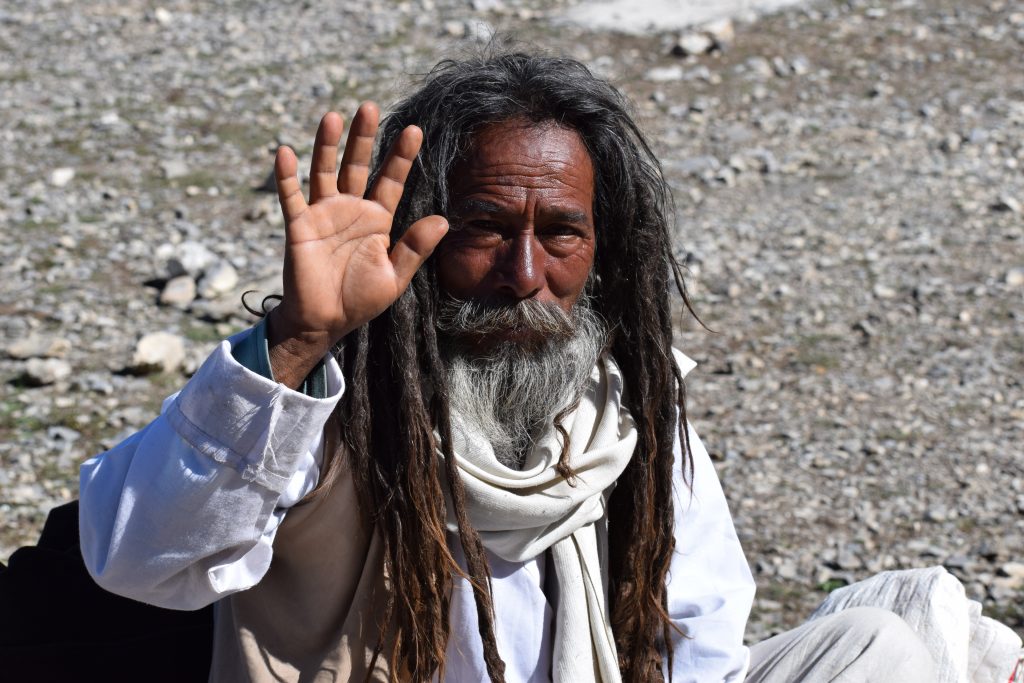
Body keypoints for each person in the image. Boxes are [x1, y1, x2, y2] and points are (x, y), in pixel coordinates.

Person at [76, 52, 959, 682]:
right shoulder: (329, 404)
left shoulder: (628, 408)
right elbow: (140, 559)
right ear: (420, 231)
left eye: (561, 234)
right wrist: (301, 338)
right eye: (486, 230)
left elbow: (703, 635)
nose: (525, 276)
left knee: (917, 623)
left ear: (605, 251)